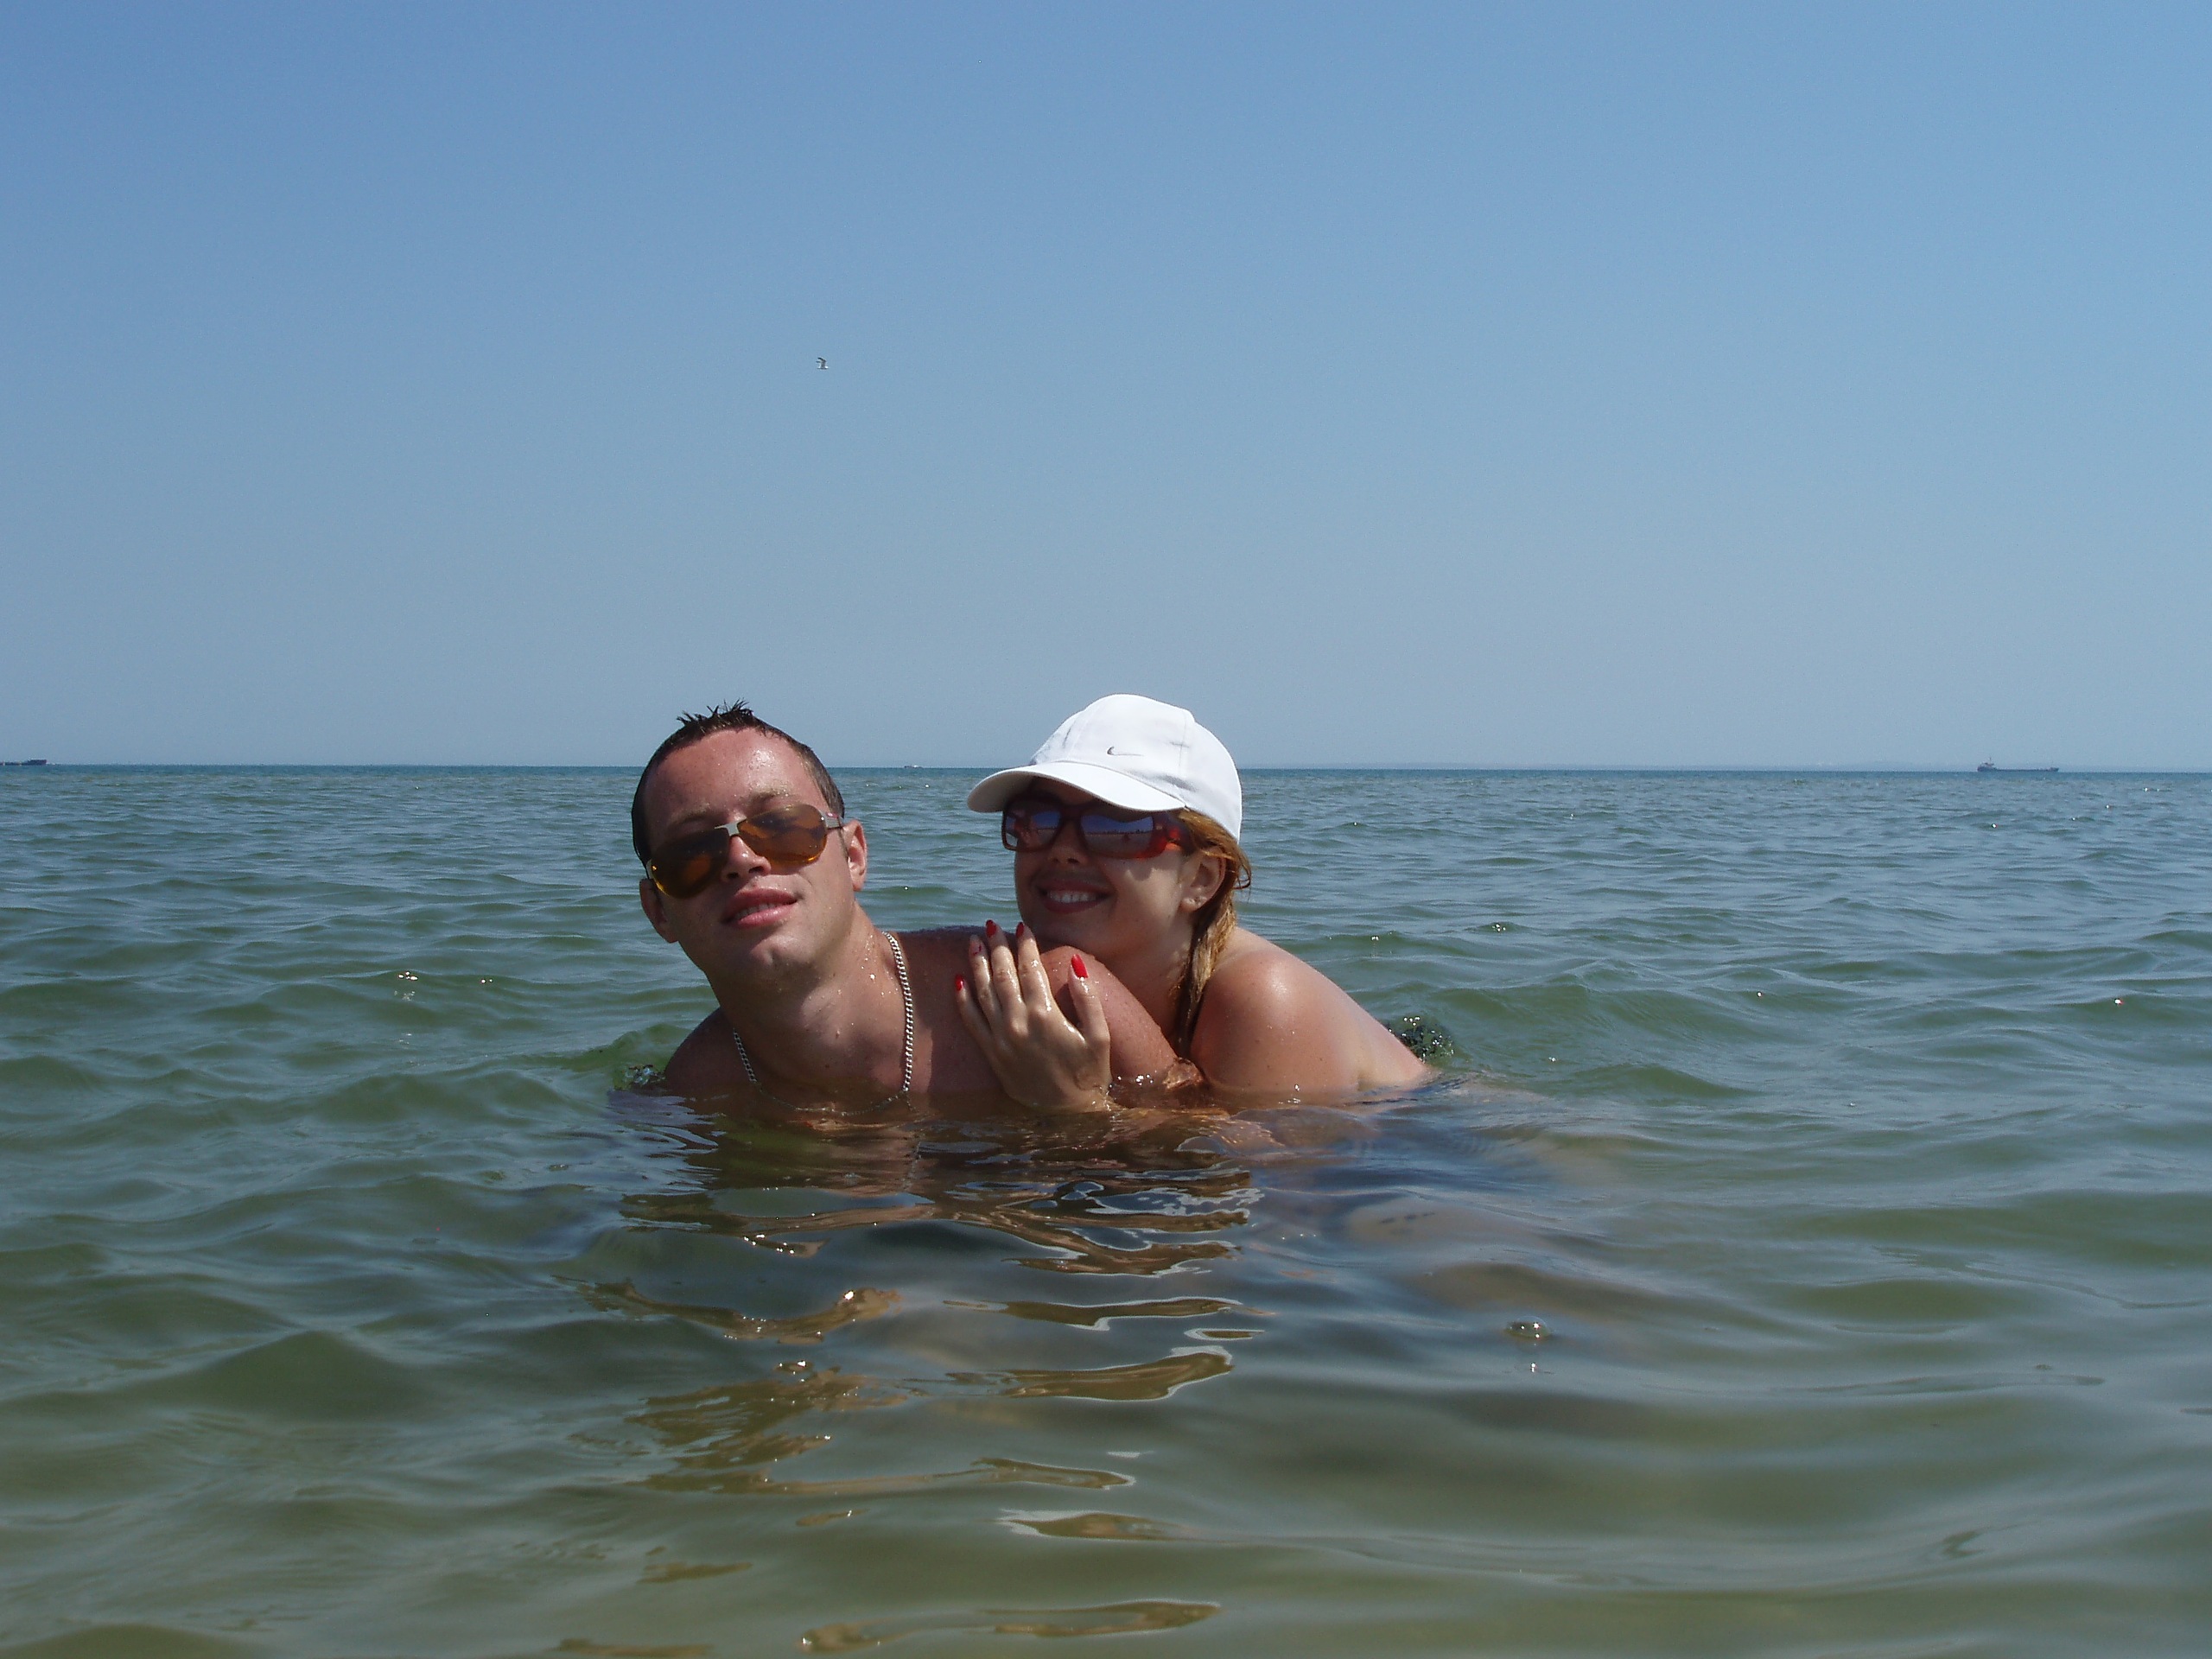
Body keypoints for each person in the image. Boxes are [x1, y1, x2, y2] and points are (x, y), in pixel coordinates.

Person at [634, 702, 1181, 1108]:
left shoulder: (1051, 1000)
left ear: (853, 857)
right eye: (692, 853)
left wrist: (1086, 1113)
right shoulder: (694, 1094)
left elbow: (1208, 1182)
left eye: (781, 826)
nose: (741, 859)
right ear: (658, 911)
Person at [957, 694, 1430, 1097]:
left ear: (1201, 878)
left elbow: (1279, 1172)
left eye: (1117, 828)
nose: (1063, 850)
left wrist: (1075, 1108)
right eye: (1036, 821)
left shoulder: (1268, 999)